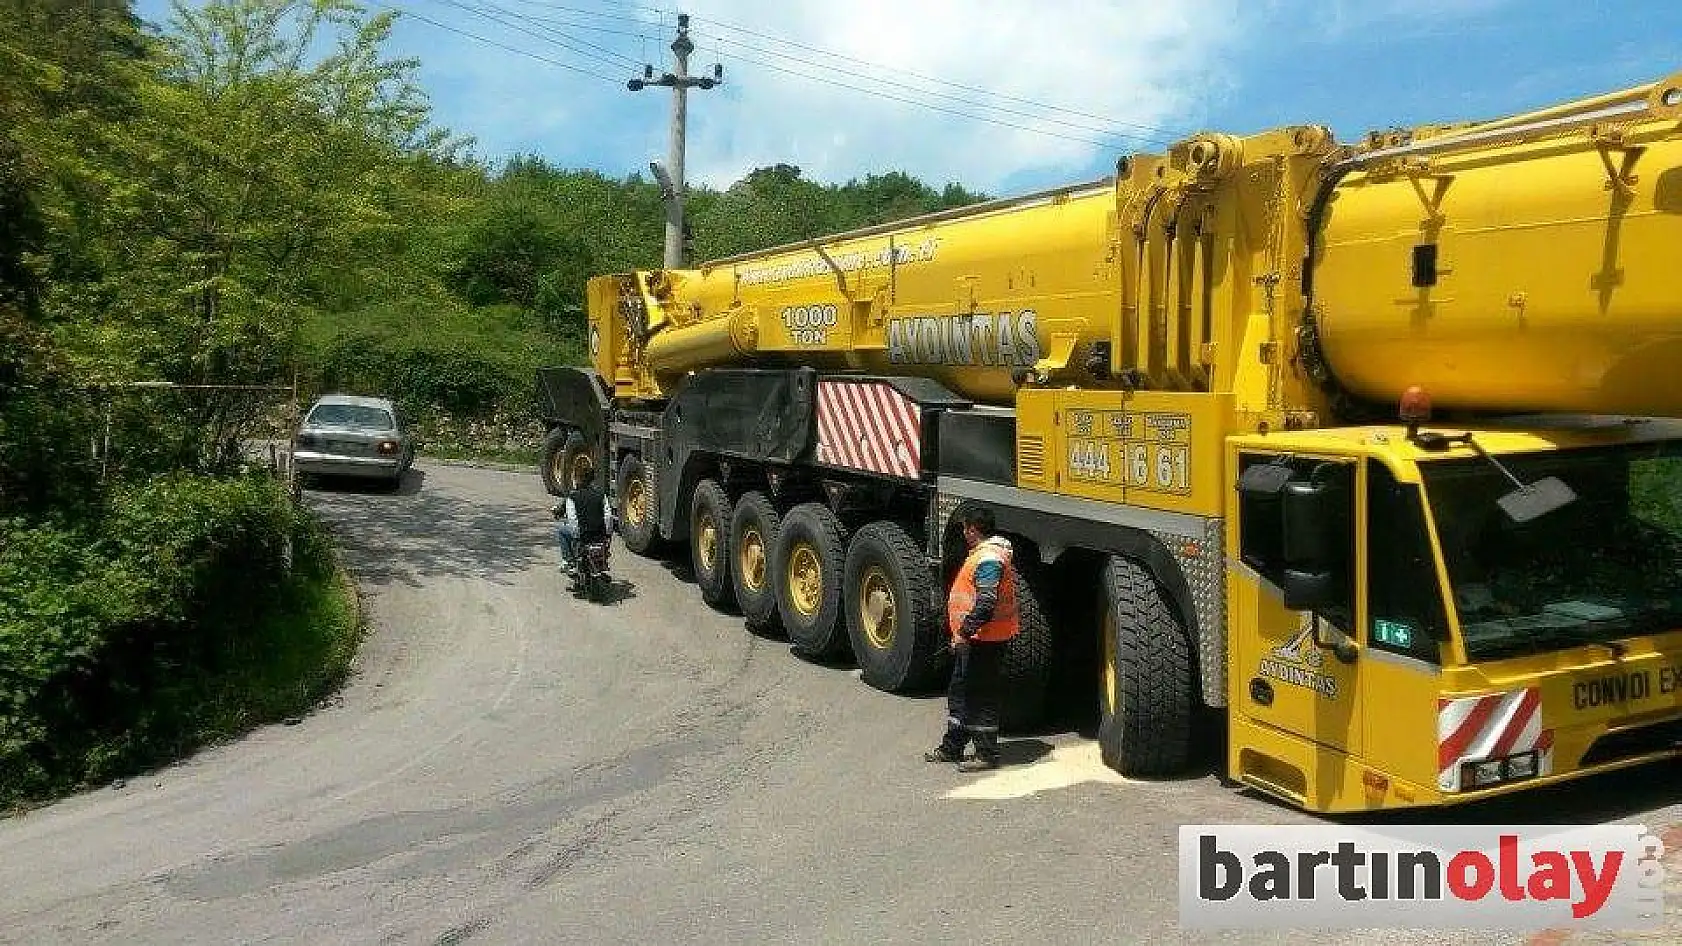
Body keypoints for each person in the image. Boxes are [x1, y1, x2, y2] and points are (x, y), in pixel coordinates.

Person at [925, 505, 1018, 772]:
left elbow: (986, 602)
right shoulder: (985, 555)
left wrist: (965, 633)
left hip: (983, 640)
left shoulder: (989, 559)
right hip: (978, 638)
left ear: (973, 530)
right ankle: (952, 747)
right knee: (961, 691)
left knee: (979, 695)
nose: (964, 533)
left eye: (966, 528)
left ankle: (987, 754)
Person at [555, 459, 614, 573]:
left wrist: (577, 535)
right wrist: (607, 534)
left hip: (583, 536)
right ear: (592, 478)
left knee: (562, 530)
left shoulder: (572, 497)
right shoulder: (602, 495)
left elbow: (573, 519)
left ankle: (568, 561)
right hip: (600, 535)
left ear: (577, 478)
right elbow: (608, 517)